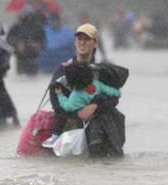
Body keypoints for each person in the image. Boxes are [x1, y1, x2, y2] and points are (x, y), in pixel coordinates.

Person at [45, 23, 126, 157]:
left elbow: (114, 98)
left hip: (99, 119)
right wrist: (76, 113)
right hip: (70, 120)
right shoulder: (63, 69)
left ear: (95, 44)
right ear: (75, 43)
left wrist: (95, 107)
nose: (82, 43)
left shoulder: (103, 71)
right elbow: (55, 99)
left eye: (87, 39)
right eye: (79, 39)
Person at [42, 62, 121, 147]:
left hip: (82, 123)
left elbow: (67, 107)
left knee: (61, 116)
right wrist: (117, 92)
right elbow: (113, 92)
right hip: (99, 120)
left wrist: (60, 95)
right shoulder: (96, 84)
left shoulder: (76, 95)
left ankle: (55, 137)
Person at [7, 8, 45, 75]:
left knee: (32, 76)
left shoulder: (38, 27)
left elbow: (43, 40)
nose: (28, 19)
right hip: (21, 55)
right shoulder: (16, 26)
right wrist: (18, 43)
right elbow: (9, 39)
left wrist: (38, 44)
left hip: (33, 55)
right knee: (21, 76)